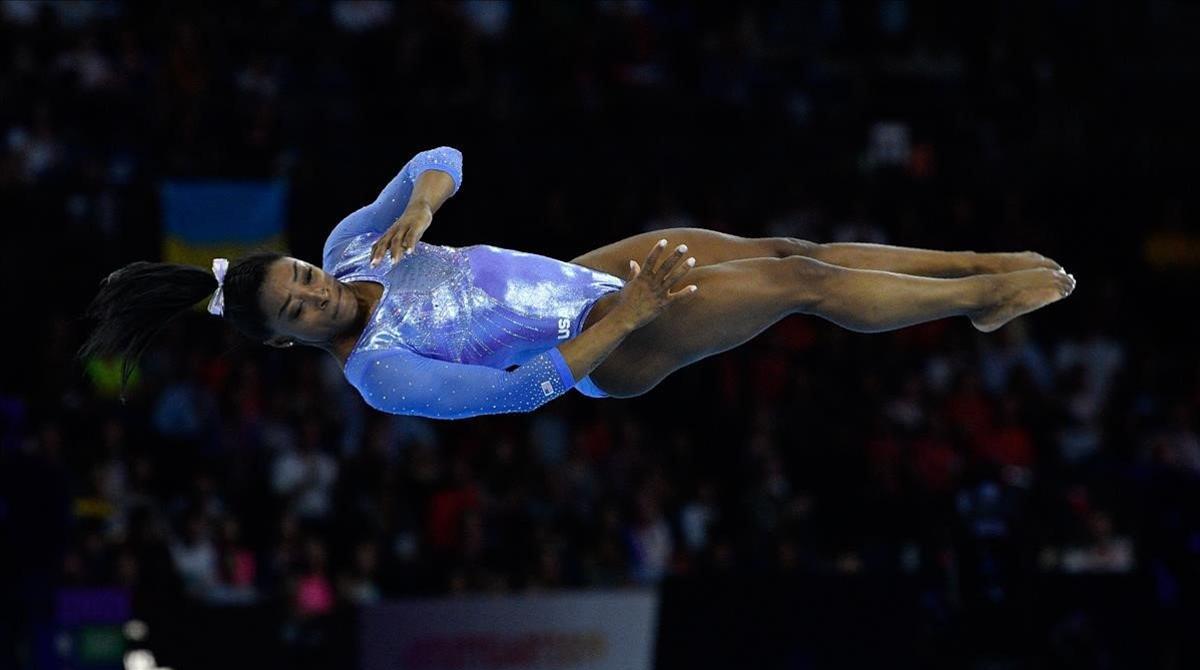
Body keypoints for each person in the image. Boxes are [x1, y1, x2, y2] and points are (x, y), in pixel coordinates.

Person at [79, 146, 1076, 420]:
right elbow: (523, 389)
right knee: (802, 283)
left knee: (787, 251)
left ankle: (982, 273)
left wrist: (421, 207)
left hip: (582, 276)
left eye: (302, 277)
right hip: (610, 343)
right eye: (302, 310)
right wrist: (632, 314)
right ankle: (978, 297)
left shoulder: (352, 245)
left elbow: (443, 154)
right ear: (291, 340)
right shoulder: (379, 373)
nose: (319, 294)